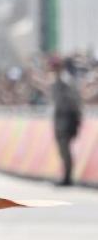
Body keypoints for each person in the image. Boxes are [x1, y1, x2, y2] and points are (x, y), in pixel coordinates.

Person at [51, 57, 82, 186]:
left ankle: (68, 176)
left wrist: (77, 118)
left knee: (65, 147)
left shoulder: (67, 81)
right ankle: (66, 175)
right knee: (61, 148)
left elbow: (75, 101)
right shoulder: (56, 81)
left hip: (68, 118)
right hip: (59, 118)